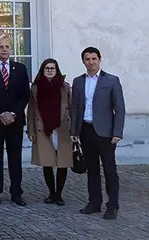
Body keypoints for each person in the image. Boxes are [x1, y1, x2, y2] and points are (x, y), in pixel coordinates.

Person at [70, 47, 125, 220]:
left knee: (110, 170)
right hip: (85, 131)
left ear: (99, 60)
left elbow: (120, 109)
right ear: (83, 61)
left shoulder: (112, 80)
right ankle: (94, 203)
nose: (91, 62)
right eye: (87, 59)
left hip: (105, 133)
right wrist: (74, 130)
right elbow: (75, 108)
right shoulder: (78, 81)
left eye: (94, 58)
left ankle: (112, 205)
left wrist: (117, 132)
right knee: (92, 170)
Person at [0, 35, 30, 206]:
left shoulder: (20, 68)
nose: (4, 49)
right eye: (1, 47)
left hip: (15, 120)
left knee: (15, 157)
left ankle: (16, 192)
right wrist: (1, 114)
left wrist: (13, 114)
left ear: (11, 49)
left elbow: (25, 95)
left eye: (7, 47)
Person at [27, 58, 72, 206]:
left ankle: (59, 194)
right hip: (43, 129)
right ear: (42, 70)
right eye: (47, 68)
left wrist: (75, 131)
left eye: (53, 68)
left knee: (62, 163)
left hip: (62, 129)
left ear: (57, 70)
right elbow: (31, 111)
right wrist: (31, 130)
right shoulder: (35, 88)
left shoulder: (65, 87)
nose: (50, 70)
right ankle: (51, 193)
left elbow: (71, 108)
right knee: (47, 162)